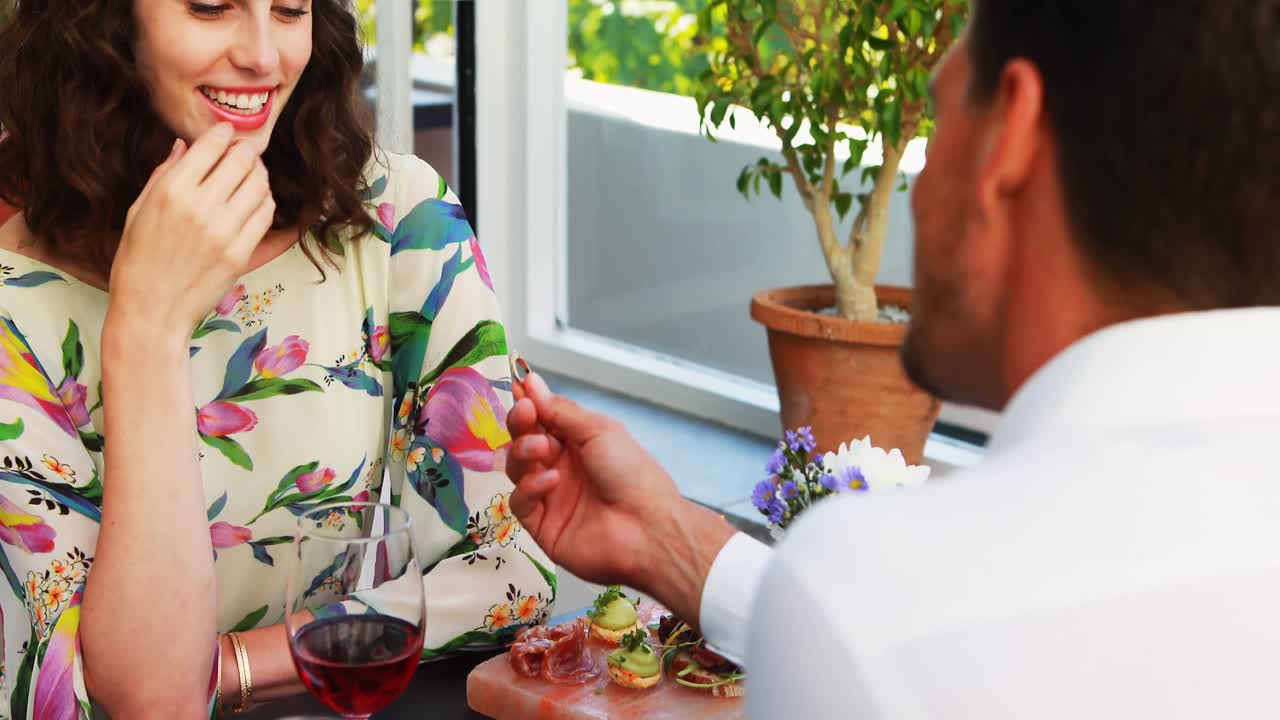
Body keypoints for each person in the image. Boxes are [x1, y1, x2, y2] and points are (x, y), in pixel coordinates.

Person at [505, 0, 1280, 717]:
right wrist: (668, 537)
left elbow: (886, 626)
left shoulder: (876, 601)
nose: (915, 189)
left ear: (1010, 134)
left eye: (937, 122)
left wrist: (823, 595)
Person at [0, 1, 552, 717]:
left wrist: (241, 661)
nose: (264, 56)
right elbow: (148, 700)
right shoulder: (15, 310)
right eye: (210, 6)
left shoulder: (397, 220)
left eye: (289, 8)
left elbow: (512, 566)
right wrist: (147, 328)